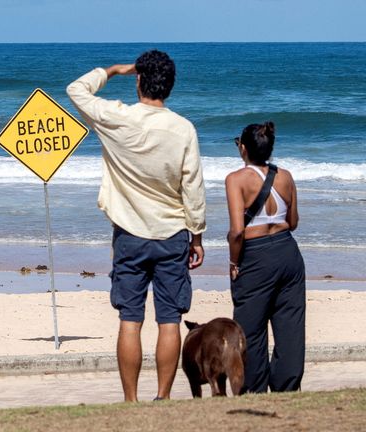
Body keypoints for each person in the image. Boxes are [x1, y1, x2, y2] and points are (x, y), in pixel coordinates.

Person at [67, 50, 206, 402]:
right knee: (169, 319)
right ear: (170, 85)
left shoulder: (117, 118)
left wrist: (113, 70)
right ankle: (163, 397)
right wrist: (198, 235)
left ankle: (130, 401)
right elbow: (193, 187)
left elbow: (76, 90)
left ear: (139, 80)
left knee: (130, 319)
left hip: (129, 234)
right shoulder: (183, 129)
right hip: (172, 233)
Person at [225, 122, 305, 393]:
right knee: (290, 325)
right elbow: (293, 222)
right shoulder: (286, 176)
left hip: (255, 255)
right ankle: (287, 387)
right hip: (287, 252)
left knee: (250, 327)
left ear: (243, 149)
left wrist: (234, 262)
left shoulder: (236, 179)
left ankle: (254, 388)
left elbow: (237, 231)